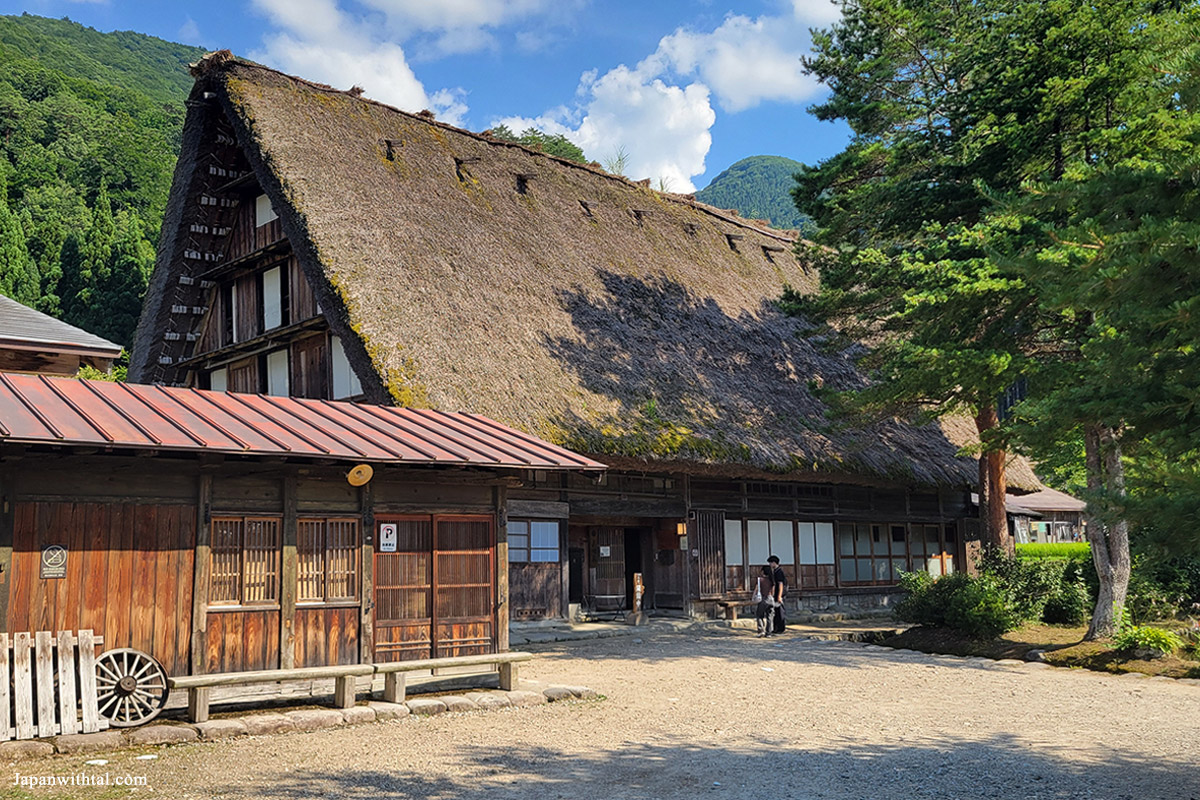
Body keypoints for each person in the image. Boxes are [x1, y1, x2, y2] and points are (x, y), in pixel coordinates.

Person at [754, 565, 775, 637]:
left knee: (759, 615)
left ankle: (761, 630)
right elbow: (773, 591)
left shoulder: (760, 580)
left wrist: (754, 596)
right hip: (770, 598)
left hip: (763, 598)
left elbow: (756, 589)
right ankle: (769, 632)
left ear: (763, 571)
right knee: (770, 616)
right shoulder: (771, 580)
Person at [768, 555, 787, 633]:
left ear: (774, 563)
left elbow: (780, 584)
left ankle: (780, 628)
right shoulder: (775, 571)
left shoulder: (779, 572)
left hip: (779, 594)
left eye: (770, 563)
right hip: (776, 593)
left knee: (780, 611)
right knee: (776, 611)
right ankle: (776, 627)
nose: (770, 565)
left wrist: (779, 596)